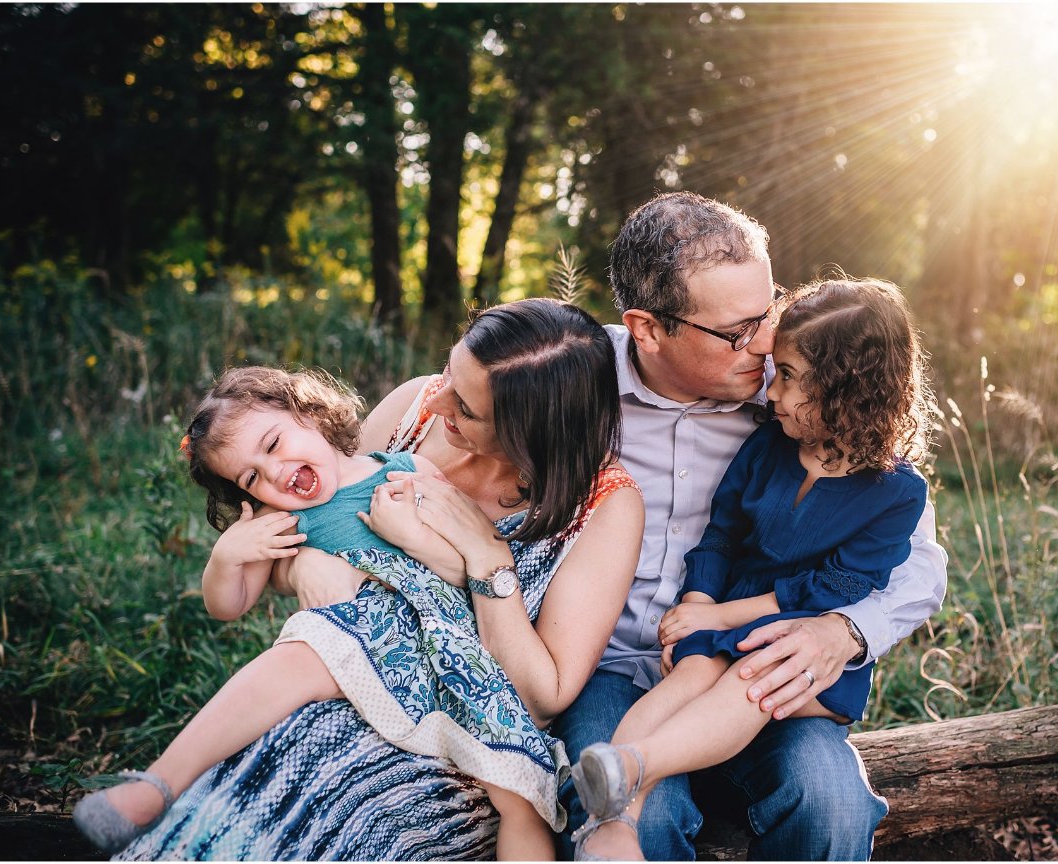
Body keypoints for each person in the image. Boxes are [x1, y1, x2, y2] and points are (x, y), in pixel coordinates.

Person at [107, 298, 645, 860]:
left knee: (353, 819)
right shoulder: (413, 405)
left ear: (530, 433)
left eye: (463, 405)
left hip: (464, 730)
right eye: (448, 374)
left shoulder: (604, 506)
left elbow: (542, 698)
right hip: (348, 678)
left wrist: (488, 561)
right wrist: (303, 564)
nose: (436, 401)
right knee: (255, 773)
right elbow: (319, 507)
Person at [549, 191, 948, 861]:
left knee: (830, 804)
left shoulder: (809, 397)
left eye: (768, 312)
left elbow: (918, 563)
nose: (764, 343)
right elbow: (454, 408)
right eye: (739, 329)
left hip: (767, 661)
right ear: (648, 328)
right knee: (639, 824)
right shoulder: (571, 388)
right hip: (613, 665)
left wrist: (844, 630)